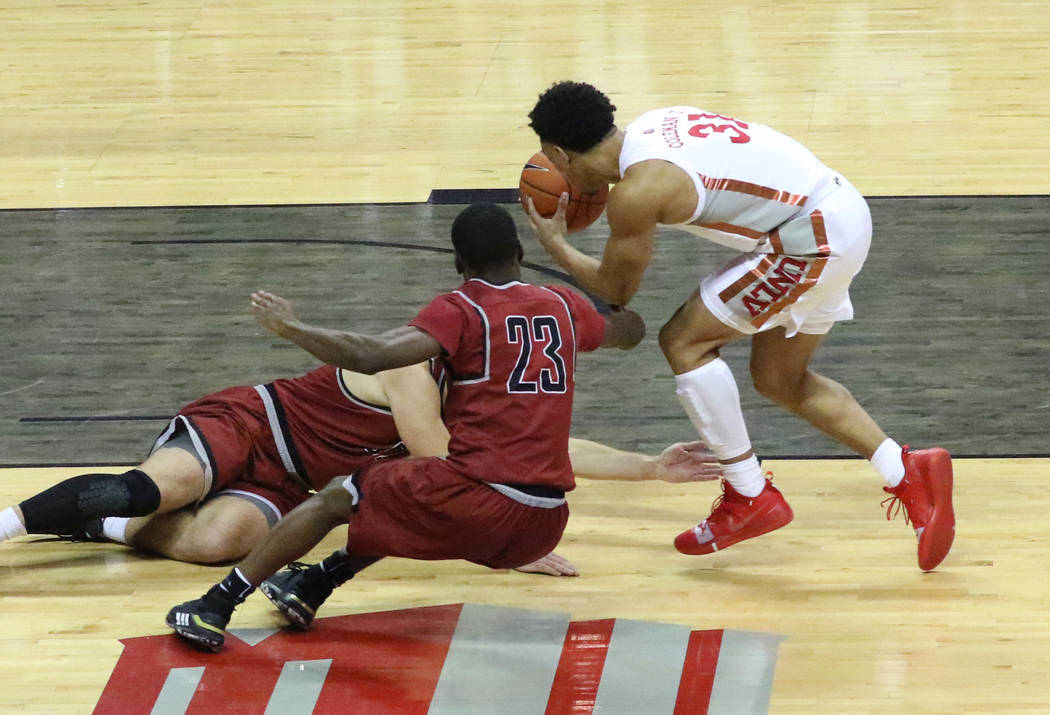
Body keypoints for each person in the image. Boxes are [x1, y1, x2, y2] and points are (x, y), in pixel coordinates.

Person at [164, 202, 653, 651]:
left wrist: (292, 328)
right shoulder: (565, 307)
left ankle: (215, 606)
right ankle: (313, 584)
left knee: (342, 495)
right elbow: (631, 330)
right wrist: (594, 282)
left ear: (459, 262)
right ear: (520, 252)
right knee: (397, 495)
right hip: (544, 524)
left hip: (480, 501)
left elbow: (370, 354)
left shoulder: (463, 309)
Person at [523, 81, 955, 571]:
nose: (552, 169)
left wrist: (555, 243)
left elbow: (616, 292)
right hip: (841, 209)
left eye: (550, 160)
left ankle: (749, 494)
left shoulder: (639, 191)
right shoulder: (656, 124)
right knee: (779, 379)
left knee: (683, 342)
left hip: (810, 238)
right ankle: (906, 470)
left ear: (559, 152)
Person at [0, 323, 717, 572]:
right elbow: (447, 461)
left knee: (225, 540)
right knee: (160, 488)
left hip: (290, 483)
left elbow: (550, 446)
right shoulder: (413, 362)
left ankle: (103, 525)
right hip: (251, 423)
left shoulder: (472, 381)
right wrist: (507, 538)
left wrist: (650, 469)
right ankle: (11, 523)